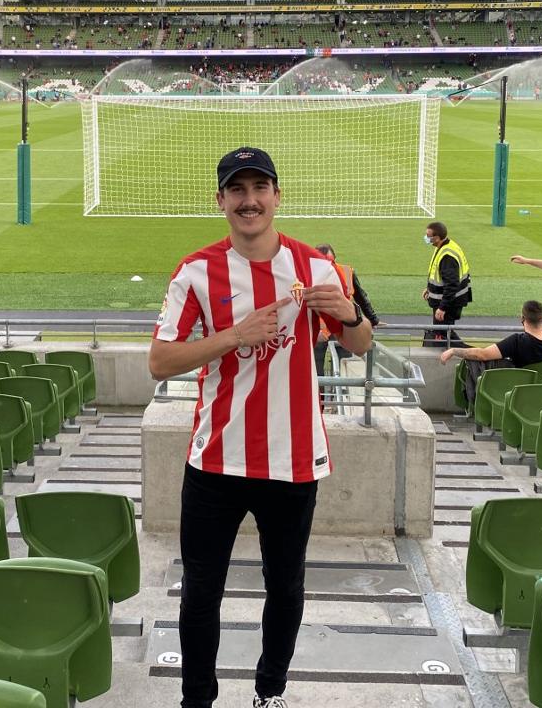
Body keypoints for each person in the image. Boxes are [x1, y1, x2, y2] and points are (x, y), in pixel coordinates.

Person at [148, 147, 373, 708]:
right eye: (237, 190)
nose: (249, 201)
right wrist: (232, 336)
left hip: (292, 460)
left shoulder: (314, 267)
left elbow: (361, 343)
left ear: (277, 195)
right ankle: (197, 698)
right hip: (216, 459)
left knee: (286, 586)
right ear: (221, 199)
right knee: (201, 591)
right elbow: (159, 360)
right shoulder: (196, 270)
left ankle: (270, 690)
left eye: (259, 188)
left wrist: (348, 314)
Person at [439, 301, 542, 411]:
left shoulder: (517, 341)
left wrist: (454, 351)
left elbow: (482, 355)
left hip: (520, 394)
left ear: (522, 318)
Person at [312, 244, 379, 379]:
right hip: (336, 329)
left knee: (328, 368)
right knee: (334, 368)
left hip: (337, 329)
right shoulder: (345, 271)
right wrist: (373, 320)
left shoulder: (310, 272)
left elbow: (361, 297)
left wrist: (373, 320)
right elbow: (362, 298)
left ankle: (328, 396)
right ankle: (331, 396)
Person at [423, 221, 472, 346]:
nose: (426, 238)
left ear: (437, 238)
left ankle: (473, 355)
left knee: (443, 335)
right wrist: (429, 289)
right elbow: (438, 274)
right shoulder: (444, 246)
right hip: (447, 300)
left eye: (428, 236)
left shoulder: (447, 256)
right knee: (444, 333)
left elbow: (451, 284)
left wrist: (442, 307)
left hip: (448, 303)